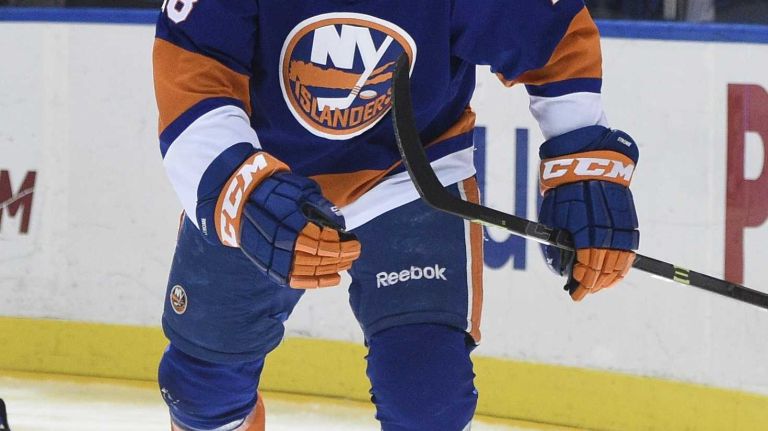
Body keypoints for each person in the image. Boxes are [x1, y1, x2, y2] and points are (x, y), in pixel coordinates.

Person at [152, 0, 640, 429]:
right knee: (202, 392)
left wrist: (581, 161)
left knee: (428, 397)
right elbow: (192, 76)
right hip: (267, 170)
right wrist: (244, 188)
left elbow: (552, 37)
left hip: (411, 178)